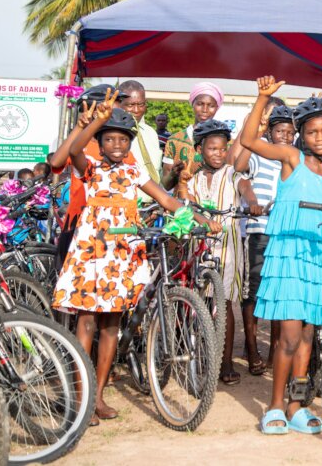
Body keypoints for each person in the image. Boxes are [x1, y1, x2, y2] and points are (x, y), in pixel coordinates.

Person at [52, 90, 219, 426]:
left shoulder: (133, 173)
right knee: (86, 322)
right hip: (93, 250)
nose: (116, 145)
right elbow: (72, 152)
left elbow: (169, 201)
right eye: (109, 139)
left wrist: (201, 218)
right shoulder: (93, 169)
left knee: (112, 326)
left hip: (123, 253)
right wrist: (96, 120)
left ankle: (98, 395)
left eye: (123, 140)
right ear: (99, 143)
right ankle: (81, 396)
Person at [238, 77, 322, 435]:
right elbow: (249, 141)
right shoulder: (291, 157)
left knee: (306, 338)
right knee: (286, 337)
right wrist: (262, 99)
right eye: (312, 132)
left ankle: (297, 406)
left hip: (317, 258)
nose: (320, 137)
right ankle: (274, 406)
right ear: (302, 134)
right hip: (288, 258)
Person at [179, 119, 248, 386]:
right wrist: (200, 217)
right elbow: (187, 203)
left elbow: (246, 188)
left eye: (222, 148)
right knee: (201, 303)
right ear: (200, 149)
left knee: (226, 304)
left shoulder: (232, 173)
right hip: (200, 244)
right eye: (212, 149)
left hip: (228, 245)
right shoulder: (193, 179)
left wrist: (252, 203)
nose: (218, 153)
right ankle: (200, 354)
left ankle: (225, 360)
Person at [235, 101, 292, 373]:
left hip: (284, 234)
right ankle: (252, 349)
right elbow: (241, 173)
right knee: (253, 294)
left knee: (280, 295)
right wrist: (253, 201)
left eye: (290, 132)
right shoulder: (259, 154)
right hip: (259, 231)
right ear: (270, 132)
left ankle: (274, 353)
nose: (285, 136)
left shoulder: (293, 158)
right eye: (280, 131)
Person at [49, 84, 132, 268]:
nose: (115, 115)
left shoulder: (119, 148)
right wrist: (80, 127)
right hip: (77, 222)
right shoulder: (82, 145)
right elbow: (56, 162)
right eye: (110, 110)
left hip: (110, 225)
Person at [163, 81, 223, 179]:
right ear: (192, 104)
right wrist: (174, 174)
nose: (205, 110)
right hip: (181, 194)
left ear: (217, 108)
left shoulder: (226, 142)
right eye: (200, 104)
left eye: (211, 106)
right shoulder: (175, 140)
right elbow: (165, 184)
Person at [118, 80, 164, 201]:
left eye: (141, 104)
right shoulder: (113, 136)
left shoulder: (151, 133)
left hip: (152, 207)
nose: (137, 110)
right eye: (130, 105)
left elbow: (156, 172)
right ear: (119, 104)